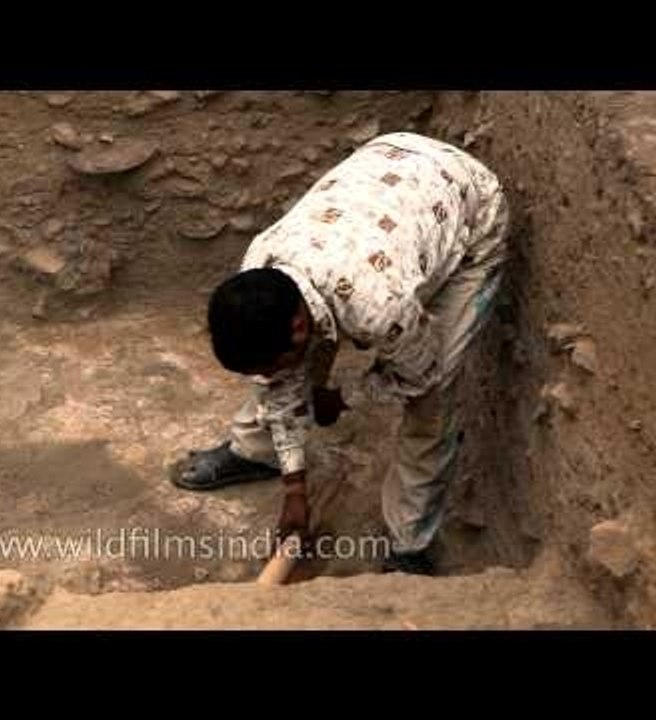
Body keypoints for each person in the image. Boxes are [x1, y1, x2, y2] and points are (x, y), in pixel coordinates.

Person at [173, 132, 510, 576]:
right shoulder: (261, 264)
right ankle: (257, 452)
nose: (273, 377)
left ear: (298, 328)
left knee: (432, 401)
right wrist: (296, 490)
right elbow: (282, 382)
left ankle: (409, 544)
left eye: (273, 366)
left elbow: (420, 374)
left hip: (470, 212)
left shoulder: (378, 309)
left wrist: (344, 395)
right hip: (387, 168)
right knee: (286, 370)